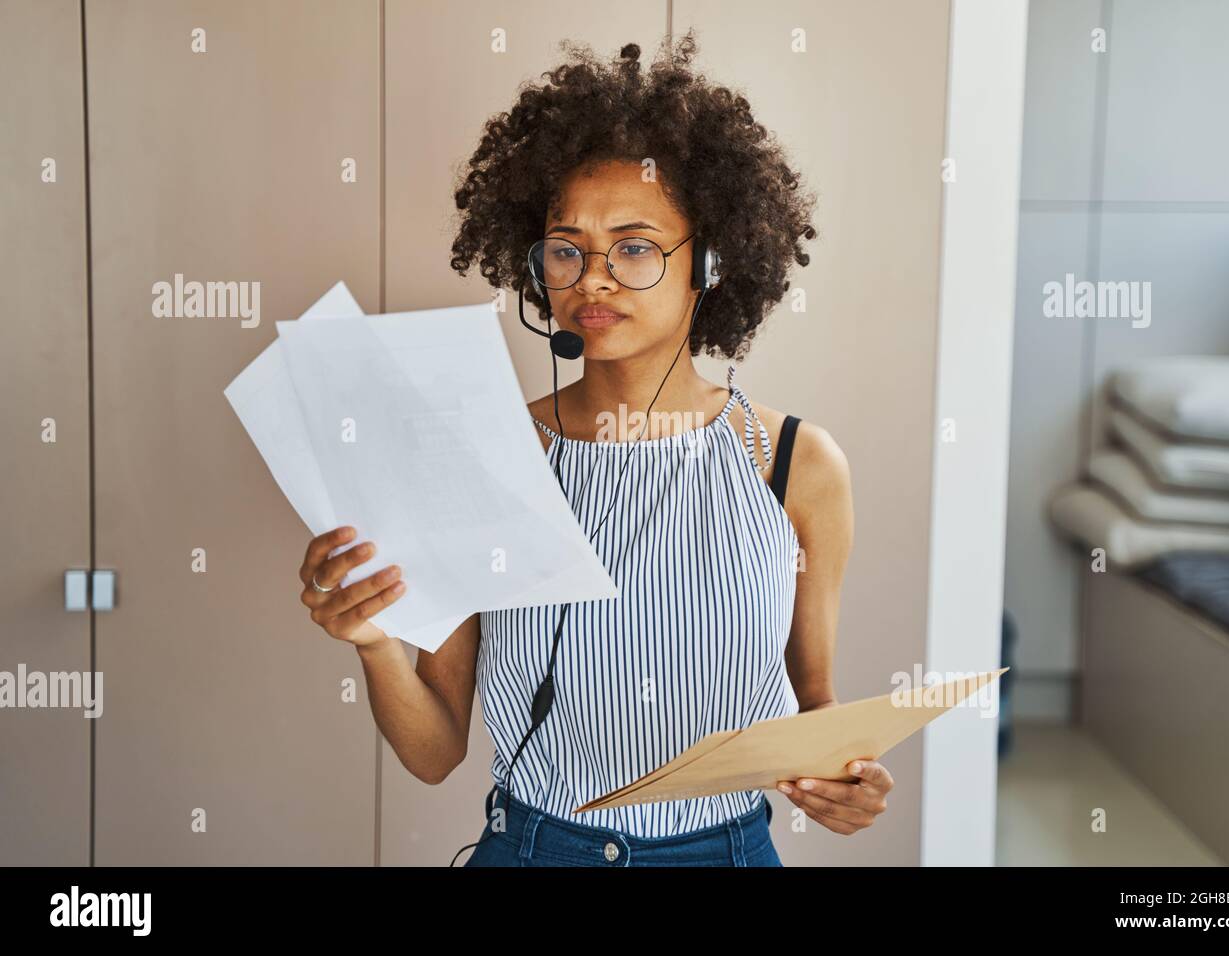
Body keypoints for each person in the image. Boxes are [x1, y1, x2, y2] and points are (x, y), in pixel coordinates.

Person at [296, 30, 892, 867]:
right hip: (535, 848)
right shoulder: (489, 454)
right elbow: (435, 753)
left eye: (636, 247)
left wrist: (845, 780)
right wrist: (373, 642)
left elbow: (815, 708)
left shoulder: (796, 466)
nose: (593, 278)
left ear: (711, 263)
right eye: (567, 248)